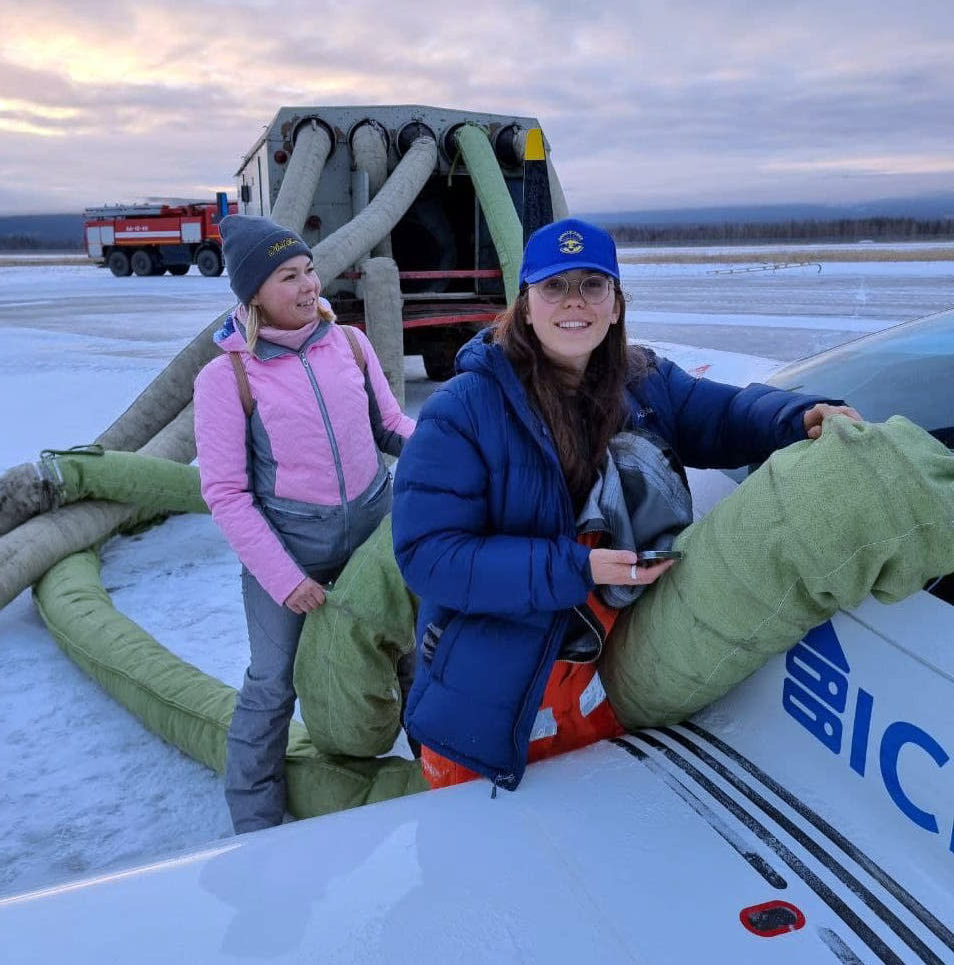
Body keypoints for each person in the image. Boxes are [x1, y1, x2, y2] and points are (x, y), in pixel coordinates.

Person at [391, 217, 859, 792]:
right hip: (486, 707)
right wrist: (576, 568)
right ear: (525, 305)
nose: (574, 302)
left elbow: (725, 414)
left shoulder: (643, 382)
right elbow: (428, 555)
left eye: (593, 285)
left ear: (616, 304)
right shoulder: (464, 409)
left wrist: (798, 417)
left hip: (598, 691)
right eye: (554, 286)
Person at [193, 214, 414, 833]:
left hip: (374, 538)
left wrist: (452, 454)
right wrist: (286, 580)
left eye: (309, 269)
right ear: (254, 293)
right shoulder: (227, 377)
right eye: (288, 276)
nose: (308, 284)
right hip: (291, 553)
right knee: (271, 684)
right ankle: (256, 822)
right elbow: (228, 495)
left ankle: (441, 774)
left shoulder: (349, 345)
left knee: (413, 655)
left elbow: (392, 428)